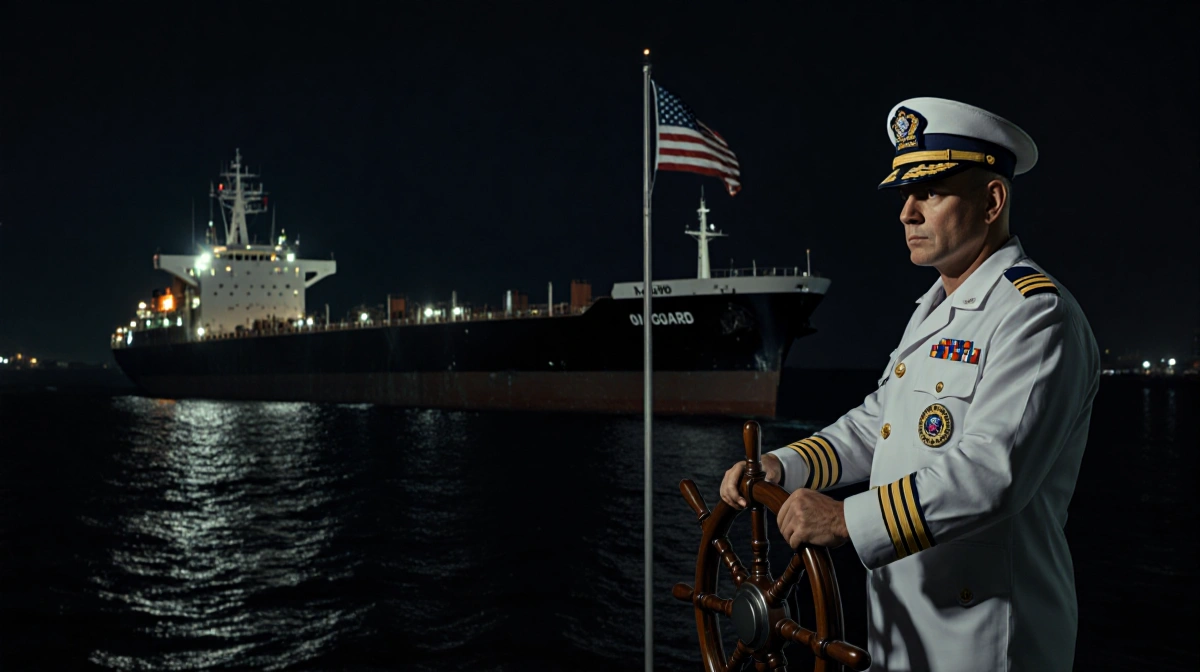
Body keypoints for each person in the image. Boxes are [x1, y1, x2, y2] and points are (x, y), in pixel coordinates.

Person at [720, 97, 1099, 671]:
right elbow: (883, 422)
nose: (907, 213)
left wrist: (847, 520)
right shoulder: (934, 310)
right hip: (902, 631)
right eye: (904, 194)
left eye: (931, 192)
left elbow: (994, 472)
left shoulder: (1035, 314)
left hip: (987, 642)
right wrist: (786, 465)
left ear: (992, 200)